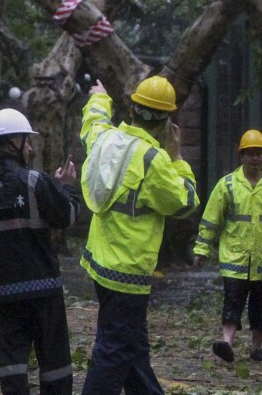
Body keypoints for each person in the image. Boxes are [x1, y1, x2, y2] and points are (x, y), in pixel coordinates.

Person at [79, 77, 200, 395]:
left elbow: (93, 122)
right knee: (114, 352)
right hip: (128, 273)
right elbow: (185, 202)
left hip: (100, 265)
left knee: (132, 348)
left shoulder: (106, 140)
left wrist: (100, 98)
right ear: (166, 120)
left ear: (132, 109)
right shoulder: (153, 160)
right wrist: (177, 158)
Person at [0, 108, 81, 395]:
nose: (30, 148)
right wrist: (67, 187)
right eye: (27, 141)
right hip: (43, 288)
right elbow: (66, 216)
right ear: (13, 142)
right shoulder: (34, 181)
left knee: (12, 363)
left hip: (1, 290)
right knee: (54, 362)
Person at [191, 129, 262, 364]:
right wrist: (201, 250)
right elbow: (211, 220)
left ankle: (257, 348)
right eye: (250, 154)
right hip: (235, 258)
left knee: (261, 307)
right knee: (232, 301)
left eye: (259, 154)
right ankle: (227, 343)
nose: (255, 158)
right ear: (241, 156)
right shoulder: (227, 186)